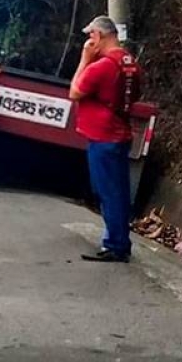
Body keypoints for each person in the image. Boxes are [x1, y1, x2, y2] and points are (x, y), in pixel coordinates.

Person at [70, 16, 140, 263]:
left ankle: (115, 244)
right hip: (120, 132)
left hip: (103, 135)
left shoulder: (101, 66)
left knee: (107, 191)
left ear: (99, 36)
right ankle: (120, 240)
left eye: (91, 36)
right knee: (118, 191)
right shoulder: (130, 62)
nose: (89, 41)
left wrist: (85, 59)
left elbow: (75, 90)